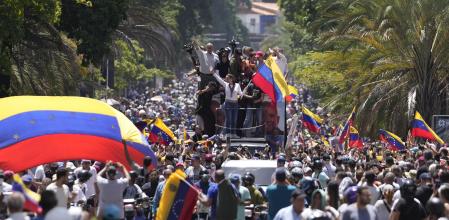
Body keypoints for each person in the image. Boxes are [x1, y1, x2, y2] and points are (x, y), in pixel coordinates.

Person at [213, 70, 242, 137]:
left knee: (234, 119)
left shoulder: (237, 85)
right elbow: (219, 79)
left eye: (227, 78)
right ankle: (228, 133)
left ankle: (233, 134)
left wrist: (241, 94)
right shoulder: (226, 84)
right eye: (226, 78)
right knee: (229, 119)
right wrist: (214, 73)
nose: (226, 79)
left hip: (235, 104)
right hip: (228, 103)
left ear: (231, 79)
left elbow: (240, 93)